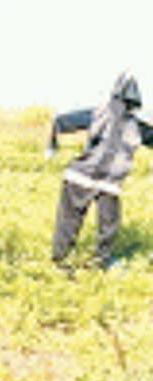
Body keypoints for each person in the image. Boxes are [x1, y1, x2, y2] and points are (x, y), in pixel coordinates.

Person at [48, 71, 153, 270]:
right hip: (106, 182)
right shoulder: (136, 126)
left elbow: (62, 121)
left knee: (70, 221)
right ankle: (99, 260)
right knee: (108, 225)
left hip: (84, 177)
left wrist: (52, 143)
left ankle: (61, 260)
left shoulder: (97, 113)